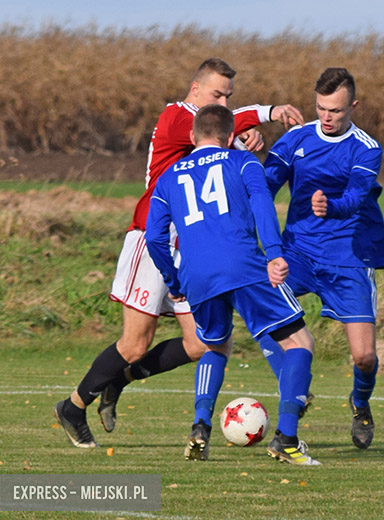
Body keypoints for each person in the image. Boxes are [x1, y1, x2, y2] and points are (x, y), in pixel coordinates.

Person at [54, 58, 304, 449]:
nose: (223, 102)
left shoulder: (209, 130)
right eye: (217, 94)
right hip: (150, 239)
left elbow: (221, 141)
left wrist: (244, 139)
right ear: (195, 89)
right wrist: (265, 113)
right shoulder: (175, 116)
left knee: (201, 344)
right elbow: (214, 127)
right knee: (135, 344)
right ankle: (73, 406)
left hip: (189, 248)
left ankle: (120, 379)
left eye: (228, 96)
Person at [145, 104, 319, 464]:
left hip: (196, 275)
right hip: (243, 265)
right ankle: (286, 439)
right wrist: (274, 253)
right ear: (229, 138)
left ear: (192, 136)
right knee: (299, 342)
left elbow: (154, 238)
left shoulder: (168, 176)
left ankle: (200, 426)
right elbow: (262, 203)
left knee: (215, 345)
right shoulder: (243, 162)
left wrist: (172, 278)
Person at [260, 67, 384, 450]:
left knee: (364, 357)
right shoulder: (295, 139)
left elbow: (356, 197)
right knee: (258, 301)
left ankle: (360, 403)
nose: (327, 117)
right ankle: (295, 386)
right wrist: (244, 156)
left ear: (353, 106)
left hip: (348, 257)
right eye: (321, 108)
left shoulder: (366, 148)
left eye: (336, 110)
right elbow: (264, 185)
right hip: (298, 252)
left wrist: (330, 207)